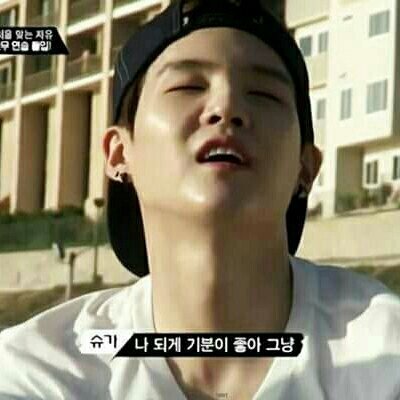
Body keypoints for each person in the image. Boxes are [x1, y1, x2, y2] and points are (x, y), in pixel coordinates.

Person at [1, 1, 400, 399]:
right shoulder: (41, 370)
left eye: (263, 93)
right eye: (187, 86)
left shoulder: (384, 352)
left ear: (306, 168)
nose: (227, 107)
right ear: (119, 153)